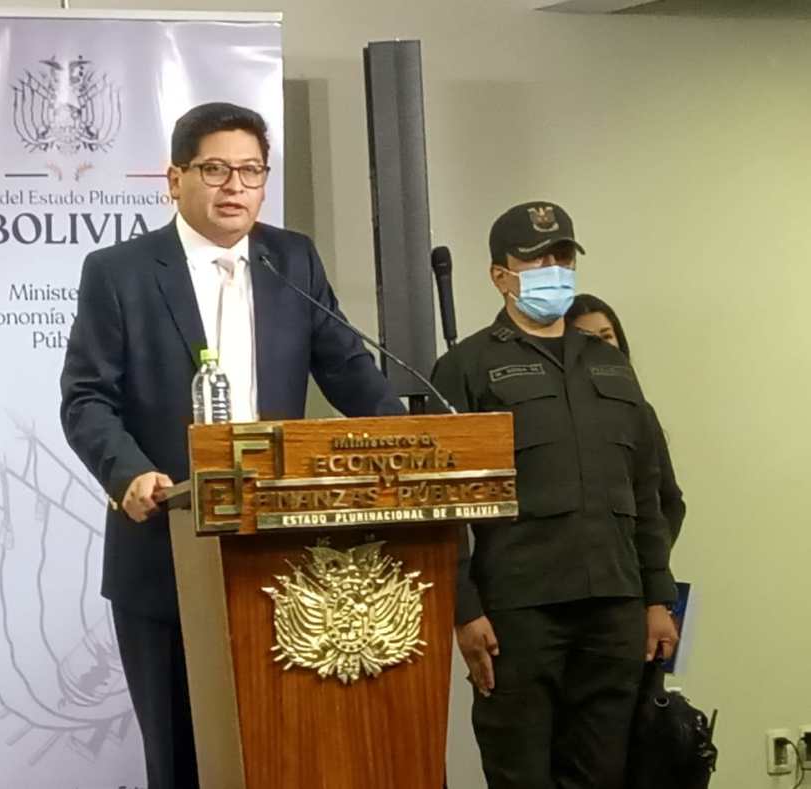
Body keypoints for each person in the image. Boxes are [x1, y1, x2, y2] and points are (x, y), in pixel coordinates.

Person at [60, 102, 405, 789]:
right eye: (215, 169)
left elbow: (348, 370)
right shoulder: (120, 271)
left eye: (251, 171)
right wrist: (129, 474)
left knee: (285, 750)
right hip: (165, 548)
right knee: (182, 757)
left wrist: (407, 433)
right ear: (175, 178)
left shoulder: (291, 259)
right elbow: (86, 397)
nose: (235, 187)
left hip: (282, 554)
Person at [430, 201, 679, 789]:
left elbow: (645, 489)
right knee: (520, 773)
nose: (554, 269)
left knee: (602, 773)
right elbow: (442, 504)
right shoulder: (466, 367)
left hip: (614, 604)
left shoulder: (610, 366)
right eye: (537, 259)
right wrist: (463, 610)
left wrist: (657, 597)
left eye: (563, 257)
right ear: (501, 276)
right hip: (519, 611)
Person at [567, 294, 686, 543]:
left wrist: (651, 556)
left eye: (606, 336)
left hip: (631, 558)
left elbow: (670, 501)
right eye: (586, 338)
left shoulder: (639, 410)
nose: (600, 347)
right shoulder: (556, 414)